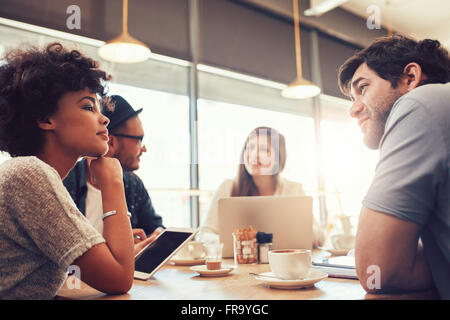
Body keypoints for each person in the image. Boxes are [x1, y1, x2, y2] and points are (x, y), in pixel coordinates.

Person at [0, 42, 154, 299]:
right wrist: (113, 181)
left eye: (99, 108)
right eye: (87, 107)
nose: (104, 118)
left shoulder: (32, 175)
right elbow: (119, 279)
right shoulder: (27, 175)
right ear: (45, 119)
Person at [338, 35, 450, 298]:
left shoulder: (422, 102)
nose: (353, 110)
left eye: (362, 88)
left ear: (410, 78)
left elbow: (376, 270)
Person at [200, 126, 324, 248]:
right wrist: (232, 242)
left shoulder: (293, 190)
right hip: (237, 266)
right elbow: (203, 234)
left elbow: (318, 234)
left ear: (278, 159)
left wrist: (294, 238)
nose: (254, 155)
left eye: (264, 149)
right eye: (250, 147)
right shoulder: (227, 187)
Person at [63, 95, 164, 243]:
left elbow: (155, 228)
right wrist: (120, 249)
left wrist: (152, 239)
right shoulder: (65, 181)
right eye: (139, 139)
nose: (144, 148)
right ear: (111, 141)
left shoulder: (133, 183)